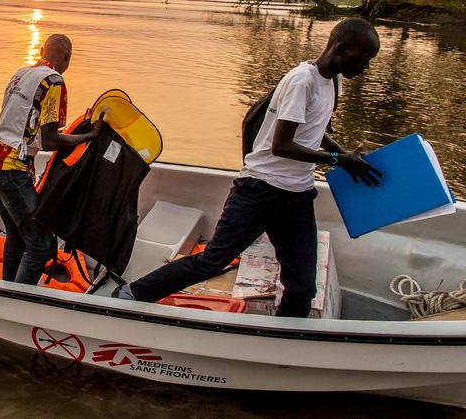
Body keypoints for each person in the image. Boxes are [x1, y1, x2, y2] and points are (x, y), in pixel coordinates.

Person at [115, 18, 383, 317]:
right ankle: (133, 294)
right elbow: (281, 145)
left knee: (302, 287)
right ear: (341, 49)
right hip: (260, 190)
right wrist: (337, 161)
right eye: (362, 59)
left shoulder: (333, 82)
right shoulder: (301, 81)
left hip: (296, 195)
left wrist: (345, 156)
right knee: (212, 261)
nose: (365, 67)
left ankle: (283, 341)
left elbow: (314, 130)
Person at [0, 34, 104, 285]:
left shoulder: (21, 73)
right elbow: (49, 140)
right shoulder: (53, 81)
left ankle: (7, 290)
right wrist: (89, 136)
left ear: (41, 50)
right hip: (11, 170)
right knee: (41, 244)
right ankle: (18, 302)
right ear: (67, 56)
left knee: (15, 235)